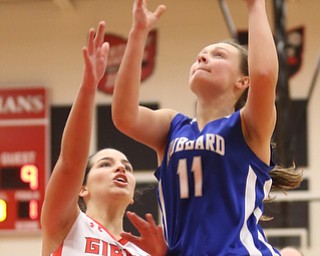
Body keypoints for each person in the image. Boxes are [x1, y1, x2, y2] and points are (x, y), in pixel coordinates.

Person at [112, 0, 303, 255]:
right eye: (200, 55)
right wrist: (137, 35)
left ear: (243, 81)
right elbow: (124, 116)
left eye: (219, 55)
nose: (203, 57)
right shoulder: (172, 126)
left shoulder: (247, 124)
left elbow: (265, 75)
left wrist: (256, 7)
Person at [40, 21, 165, 256]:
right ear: (82, 188)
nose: (120, 168)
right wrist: (89, 87)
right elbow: (69, 162)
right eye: (105, 164)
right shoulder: (67, 226)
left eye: (127, 167)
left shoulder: (145, 252)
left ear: (131, 198)